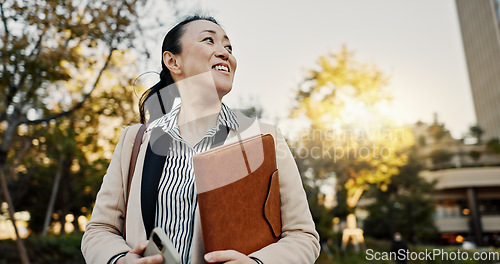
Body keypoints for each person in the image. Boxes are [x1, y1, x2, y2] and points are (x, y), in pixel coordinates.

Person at [81, 15, 320, 264]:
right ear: (173, 61)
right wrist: (120, 260)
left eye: (228, 47)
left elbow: (302, 236)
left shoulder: (264, 138)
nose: (224, 53)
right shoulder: (134, 141)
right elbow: (99, 231)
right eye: (209, 40)